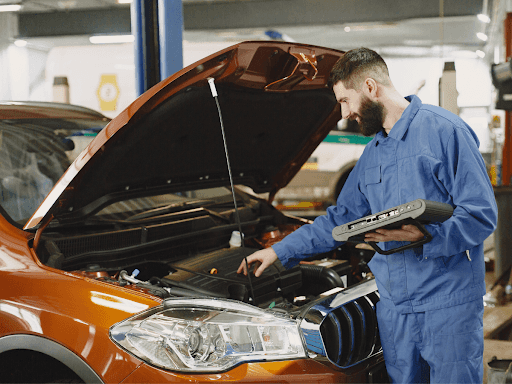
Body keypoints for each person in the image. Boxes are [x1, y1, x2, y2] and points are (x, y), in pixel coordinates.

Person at [238, 47, 497, 383]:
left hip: (446, 304)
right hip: (394, 309)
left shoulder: (444, 131)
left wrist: (426, 235)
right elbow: (337, 220)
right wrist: (277, 251)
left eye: (346, 101)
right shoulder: (372, 155)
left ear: (371, 88)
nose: (344, 113)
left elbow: (480, 214)